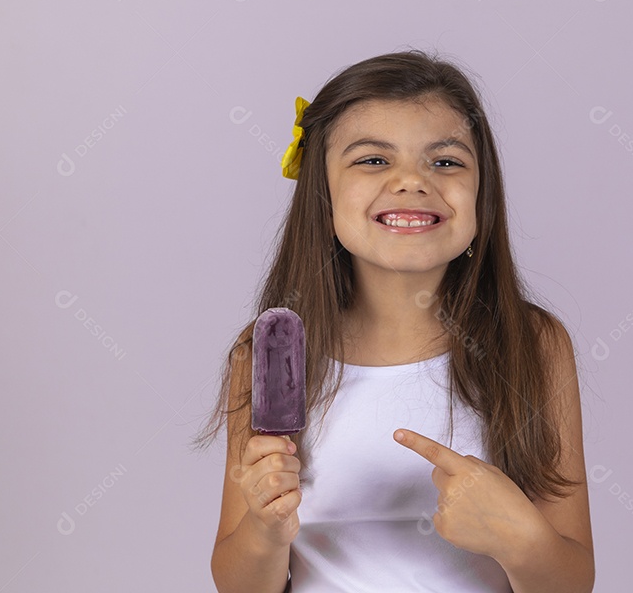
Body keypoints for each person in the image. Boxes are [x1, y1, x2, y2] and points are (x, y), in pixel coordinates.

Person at [194, 50, 594, 592]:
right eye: (373, 160)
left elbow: (572, 583)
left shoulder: (531, 344)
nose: (411, 181)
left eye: (446, 161)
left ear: (483, 193)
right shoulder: (270, 352)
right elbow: (238, 585)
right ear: (323, 192)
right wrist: (265, 529)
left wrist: (517, 536)